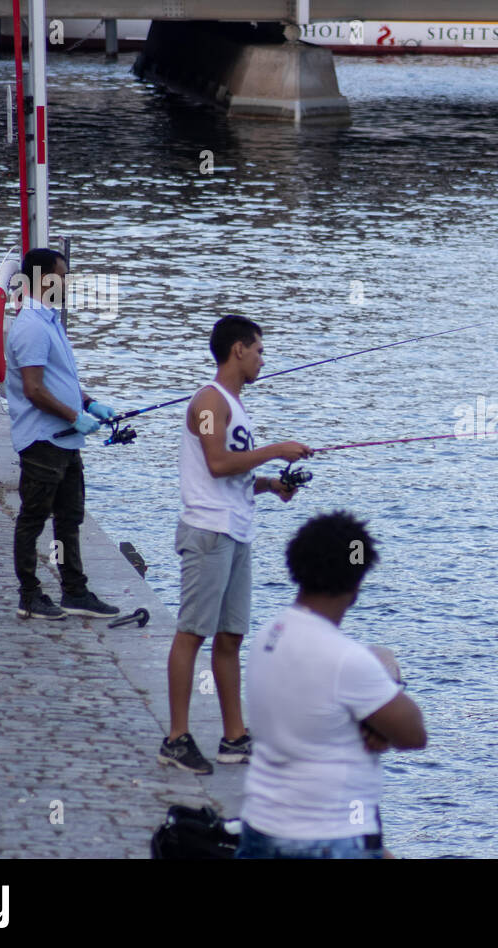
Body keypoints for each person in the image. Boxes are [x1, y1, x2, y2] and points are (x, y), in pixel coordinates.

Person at [158, 315, 312, 775]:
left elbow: (235, 474)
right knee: (192, 633)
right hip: (208, 532)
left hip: (237, 530)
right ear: (239, 350)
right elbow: (218, 462)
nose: (263, 359)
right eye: (260, 350)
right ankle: (176, 738)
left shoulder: (235, 405)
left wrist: (270, 485)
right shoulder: (208, 401)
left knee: (230, 638)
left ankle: (235, 737)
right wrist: (275, 449)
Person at [236, 512, 427, 859]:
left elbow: (318, 705)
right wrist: (388, 683)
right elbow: (414, 735)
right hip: (330, 839)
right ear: (357, 583)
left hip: (261, 827)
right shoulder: (347, 661)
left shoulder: (267, 636)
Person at [6, 247, 121, 621]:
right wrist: (75, 415)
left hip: (66, 441)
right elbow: (35, 389)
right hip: (43, 442)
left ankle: (74, 591)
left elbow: (61, 379)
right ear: (42, 280)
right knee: (33, 518)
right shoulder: (30, 326)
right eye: (62, 277)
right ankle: (30, 594)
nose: (68, 284)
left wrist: (89, 404)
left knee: (69, 519)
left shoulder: (51, 321)